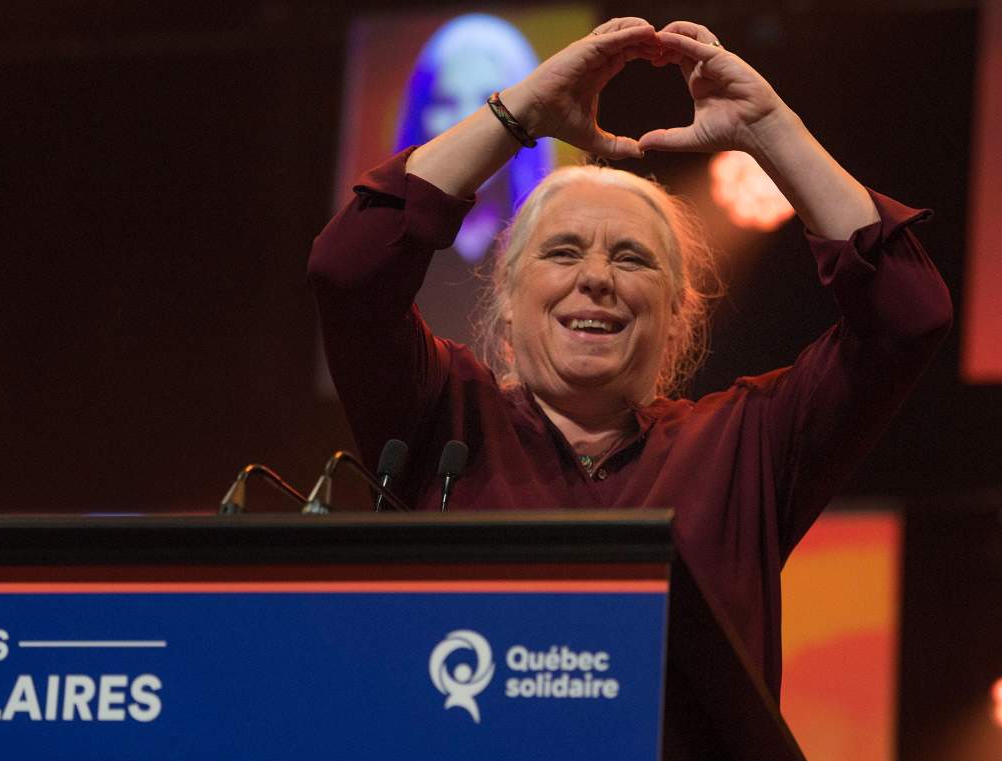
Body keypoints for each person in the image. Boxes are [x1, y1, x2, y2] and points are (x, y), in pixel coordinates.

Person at [308, 18, 951, 699]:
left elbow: (907, 316)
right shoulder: (443, 413)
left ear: (676, 315)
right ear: (508, 295)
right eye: (563, 252)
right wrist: (521, 110)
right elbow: (348, 270)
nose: (596, 278)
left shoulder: (748, 445)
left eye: (632, 258)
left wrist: (770, 130)